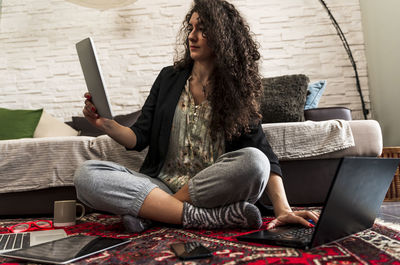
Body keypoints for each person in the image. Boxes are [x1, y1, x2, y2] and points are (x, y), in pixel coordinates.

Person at [74, 0, 319, 233]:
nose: (192, 36)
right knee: (86, 175)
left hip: (212, 191)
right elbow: (138, 137)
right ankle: (205, 217)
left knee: (255, 162)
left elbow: (262, 153)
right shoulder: (168, 78)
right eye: (190, 28)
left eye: (203, 30)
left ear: (223, 37)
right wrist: (105, 124)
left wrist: (283, 209)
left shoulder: (237, 89)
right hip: (160, 184)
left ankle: (157, 212)